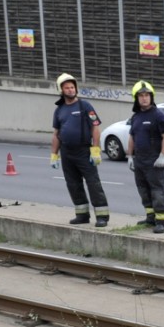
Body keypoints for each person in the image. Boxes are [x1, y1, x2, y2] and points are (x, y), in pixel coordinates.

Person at [50, 73, 109, 227]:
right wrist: (54, 155)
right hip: (67, 153)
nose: (70, 90)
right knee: (73, 184)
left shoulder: (85, 106)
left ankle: (102, 216)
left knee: (93, 183)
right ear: (61, 91)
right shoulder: (59, 110)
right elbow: (56, 134)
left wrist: (95, 150)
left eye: (72, 87)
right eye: (67, 88)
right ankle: (82, 215)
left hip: (84, 151)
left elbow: (95, 128)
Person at [127, 80, 164, 234]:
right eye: (141, 96)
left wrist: (162, 156)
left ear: (152, 97)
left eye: (147, 95)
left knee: (157, 190)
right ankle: (150, 217)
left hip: (154, 160)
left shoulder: (159, 116)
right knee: (143, 189)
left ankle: (162, 221)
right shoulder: (136, 117)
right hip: (139, 159)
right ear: (136, 98)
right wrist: (130, 156)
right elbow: (132, 137)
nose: (144, 98)